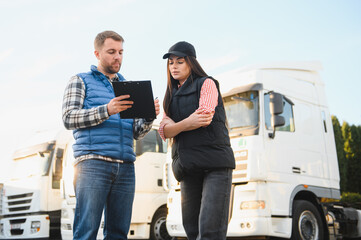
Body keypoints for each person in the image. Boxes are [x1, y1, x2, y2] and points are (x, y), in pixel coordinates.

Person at [62, 30, 160, 240]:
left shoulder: (129, 87)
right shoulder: (80, 80)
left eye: (121, 52)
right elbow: (68, 118)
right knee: (86, 231)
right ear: (97, 54)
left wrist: (149, 116)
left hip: (125, 167)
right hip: (92, 164)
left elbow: (137, 133)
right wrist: (107, 109)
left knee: (118, 233)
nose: (118, 57)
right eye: (111, 52)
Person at [159, 41, 235, 240]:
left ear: (191, 63)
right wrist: (186, 123)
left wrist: (176, 127)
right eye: (171, 62)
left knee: (210, 230)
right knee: (191, 230)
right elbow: (164, 131)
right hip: (188, 167)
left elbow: (204, 117)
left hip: (215, 165)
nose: (174, 66)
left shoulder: (207, 83)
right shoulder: (169, 96)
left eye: (180, 62)